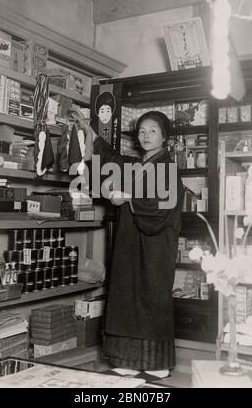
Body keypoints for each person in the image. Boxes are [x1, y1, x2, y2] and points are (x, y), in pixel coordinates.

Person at [75, 110, 184, 379]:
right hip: (128, 244)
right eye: (142, 131)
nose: (146, 136)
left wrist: (128, 198)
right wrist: (92, 134)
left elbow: (162, 208)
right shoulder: (137, 165)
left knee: (151, 299)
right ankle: (126, 359)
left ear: (165, 137)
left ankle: (155, 362)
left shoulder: (168, 169)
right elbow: (113, 159)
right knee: (125, 296)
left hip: (154, 247)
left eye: (153, 131)